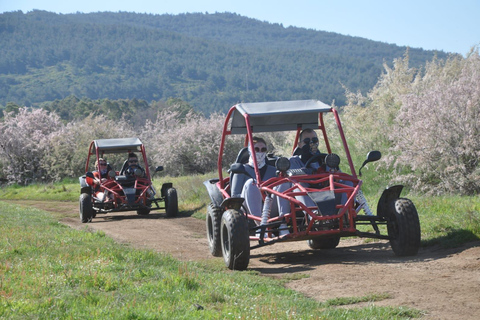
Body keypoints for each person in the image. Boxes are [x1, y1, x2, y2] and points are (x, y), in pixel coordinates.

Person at [230, 137, 284, 235]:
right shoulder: (241, 169)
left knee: (284, 182)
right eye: (256, 149)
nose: (260, 152)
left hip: (270, 207)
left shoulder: (273, 170)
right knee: (251, 183)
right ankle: (261, 226)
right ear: (250, 150)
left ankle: (283, 224)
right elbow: (235, 196)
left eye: (263, 149)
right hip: (247, 210)